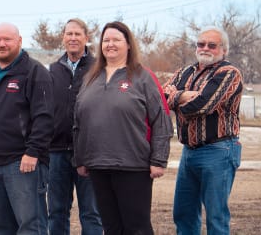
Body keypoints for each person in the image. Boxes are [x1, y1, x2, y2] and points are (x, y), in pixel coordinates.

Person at [73, 21, 173, 235]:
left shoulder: (142, 76)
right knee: (110, 227)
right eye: (106, 40)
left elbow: (161, 119)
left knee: (136, 228)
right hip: (98, 165)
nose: (110, 44)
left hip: (133, 165)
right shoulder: (91, 78)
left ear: (128, 44)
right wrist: (80, 159)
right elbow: (79, 122)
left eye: (116, 40)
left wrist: (158, 160)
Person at [0, 22, 53, 234]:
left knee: (30, 226)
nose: (2, 44)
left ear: (20, 41)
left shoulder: (35, 72)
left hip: (23, 164)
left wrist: (33, 152)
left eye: (7, 39)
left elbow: (45, 118)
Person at [164, 26, 243, 235]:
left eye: (212, 45)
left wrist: (176, 97)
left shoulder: (228, 73)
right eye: (201, 44)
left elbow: (201, 106)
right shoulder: (184, 72)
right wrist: (182, 96)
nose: (205, 48)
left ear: (223, 50)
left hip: (219, 150)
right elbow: (161, 97)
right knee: (183, 213)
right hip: (188, 152)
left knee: (216, 216)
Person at [47, 18, 103, 235]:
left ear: (86, 38)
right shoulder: (53, 69)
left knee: (91, 212)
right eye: (69, 34)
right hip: (57, 152)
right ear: (63, 38)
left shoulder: (99, 68)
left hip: (89, 152)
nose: (72, 38)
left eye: (77, 34)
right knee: (57, 211)